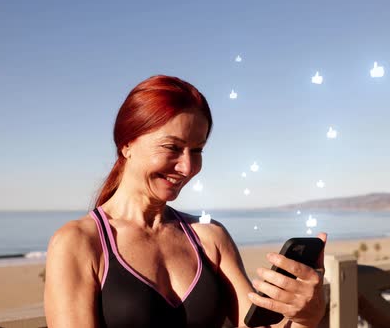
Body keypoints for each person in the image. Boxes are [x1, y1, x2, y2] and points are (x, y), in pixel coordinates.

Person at [44, 75, 327, 328]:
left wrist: (306, 317)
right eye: (172, 148)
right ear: (127, 144)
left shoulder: (210, 238)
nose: (188, 167)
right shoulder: (78, 242)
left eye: (197, 150)